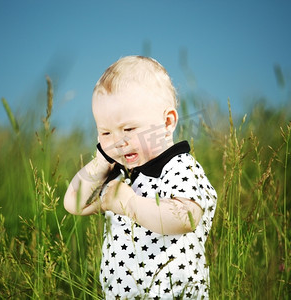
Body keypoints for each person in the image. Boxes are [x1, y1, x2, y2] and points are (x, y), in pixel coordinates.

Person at [64, 55, 217, 299]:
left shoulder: (179, 166)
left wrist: (129, 203)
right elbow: (74, 204)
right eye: (105, 132)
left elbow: (186, 217)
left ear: (167, 122)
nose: (118, 142)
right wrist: (101, 162)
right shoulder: (120, 174)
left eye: (128, 129)